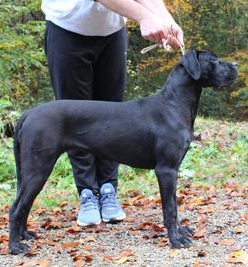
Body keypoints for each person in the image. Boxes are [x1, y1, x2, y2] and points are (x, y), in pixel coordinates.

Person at [41, 0, 184, 226]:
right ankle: (87, 192)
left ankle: (108, 189)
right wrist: (144, 17)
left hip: (112, 34)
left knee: (113, 118)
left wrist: (166, 19)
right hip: (67, 30)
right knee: (77, 120)